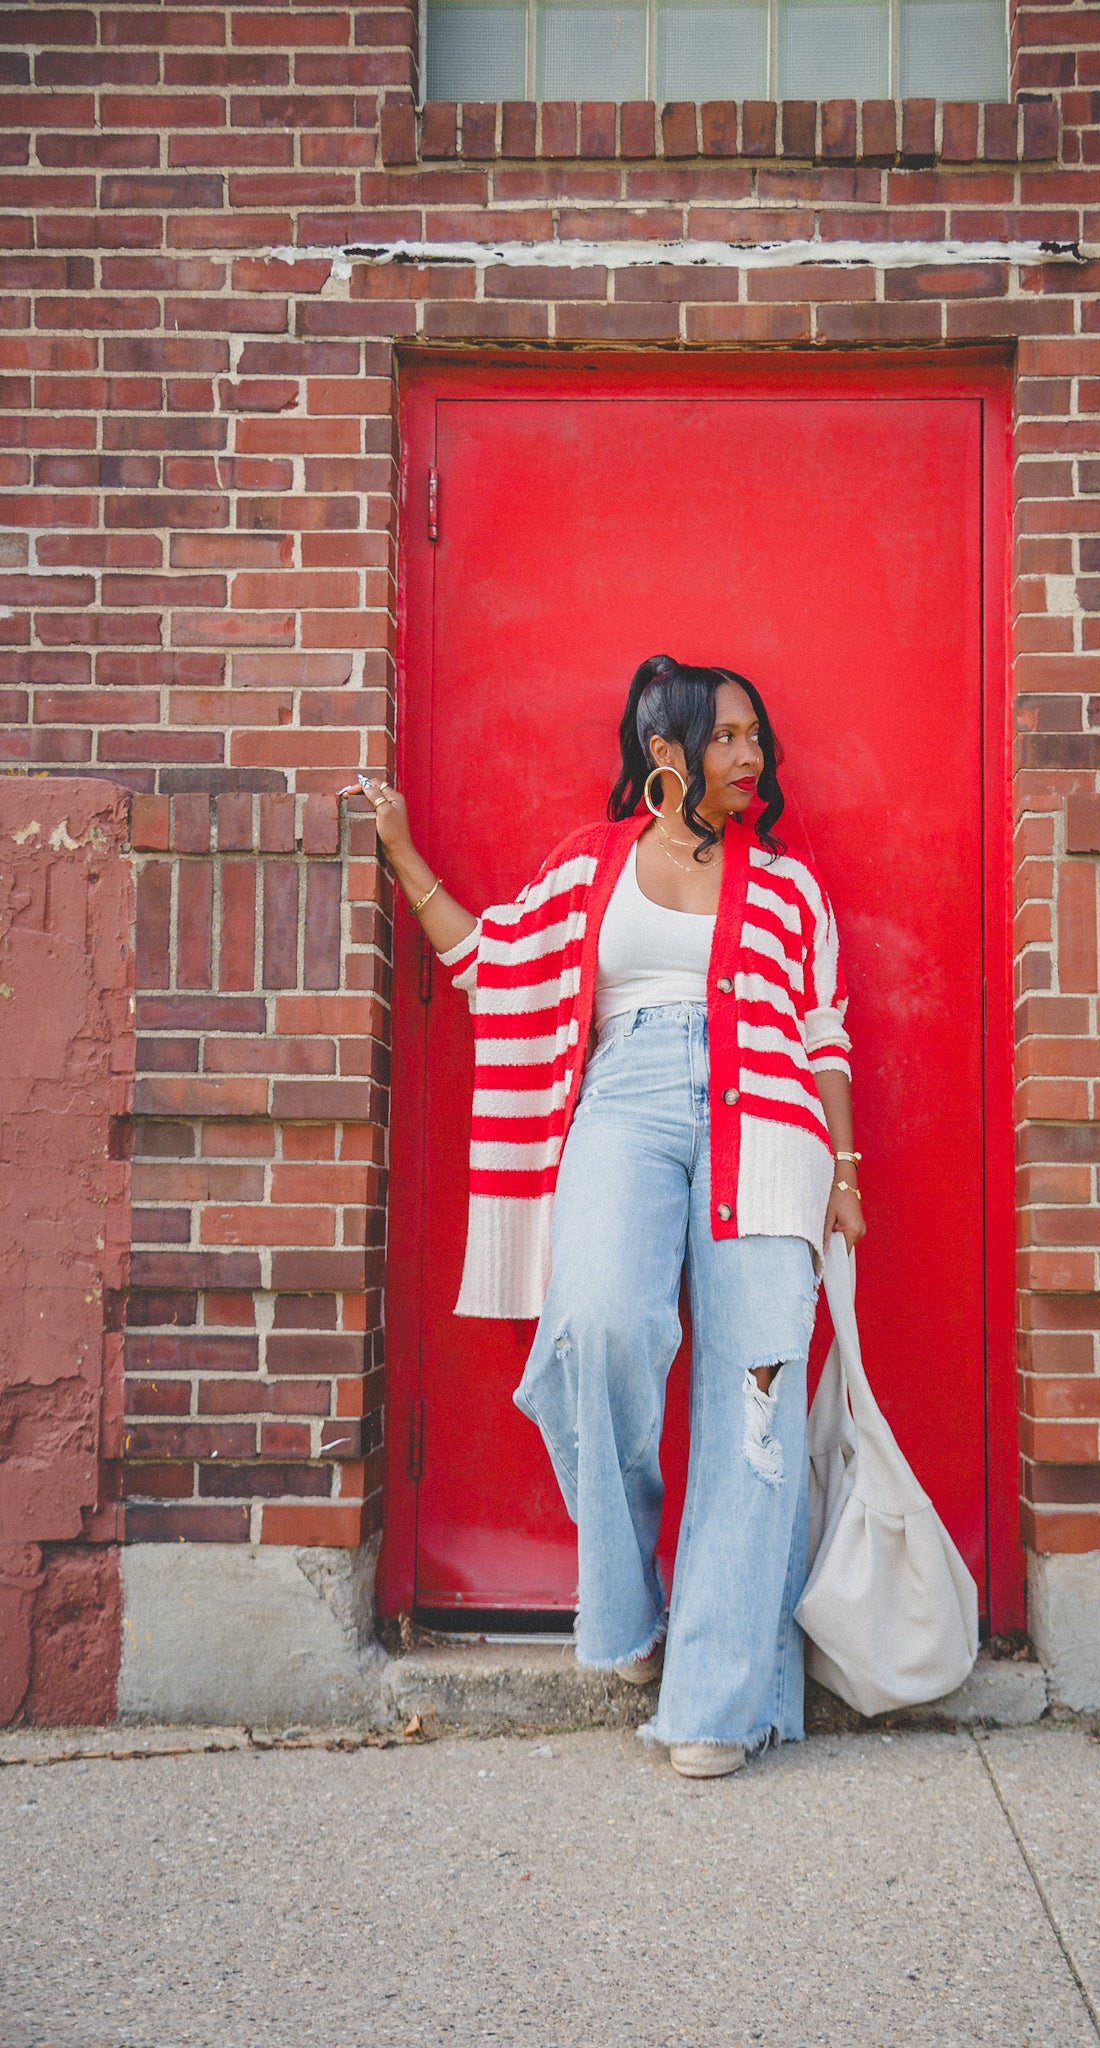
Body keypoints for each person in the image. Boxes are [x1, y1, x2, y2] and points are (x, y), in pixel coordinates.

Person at [342, 655, 864, 1779]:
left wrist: (847, 1167)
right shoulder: (589, 866)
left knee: (753, 1399)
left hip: (767, 1131)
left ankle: (718, 1696)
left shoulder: (788, 886)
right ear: (665, 751)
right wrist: (399, 852)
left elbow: (823, 1031)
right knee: (595, 1326)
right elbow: (488, 964)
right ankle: (629, 1609)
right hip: (621, 1103)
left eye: (756, 739)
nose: (751, 757)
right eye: (727, 736)